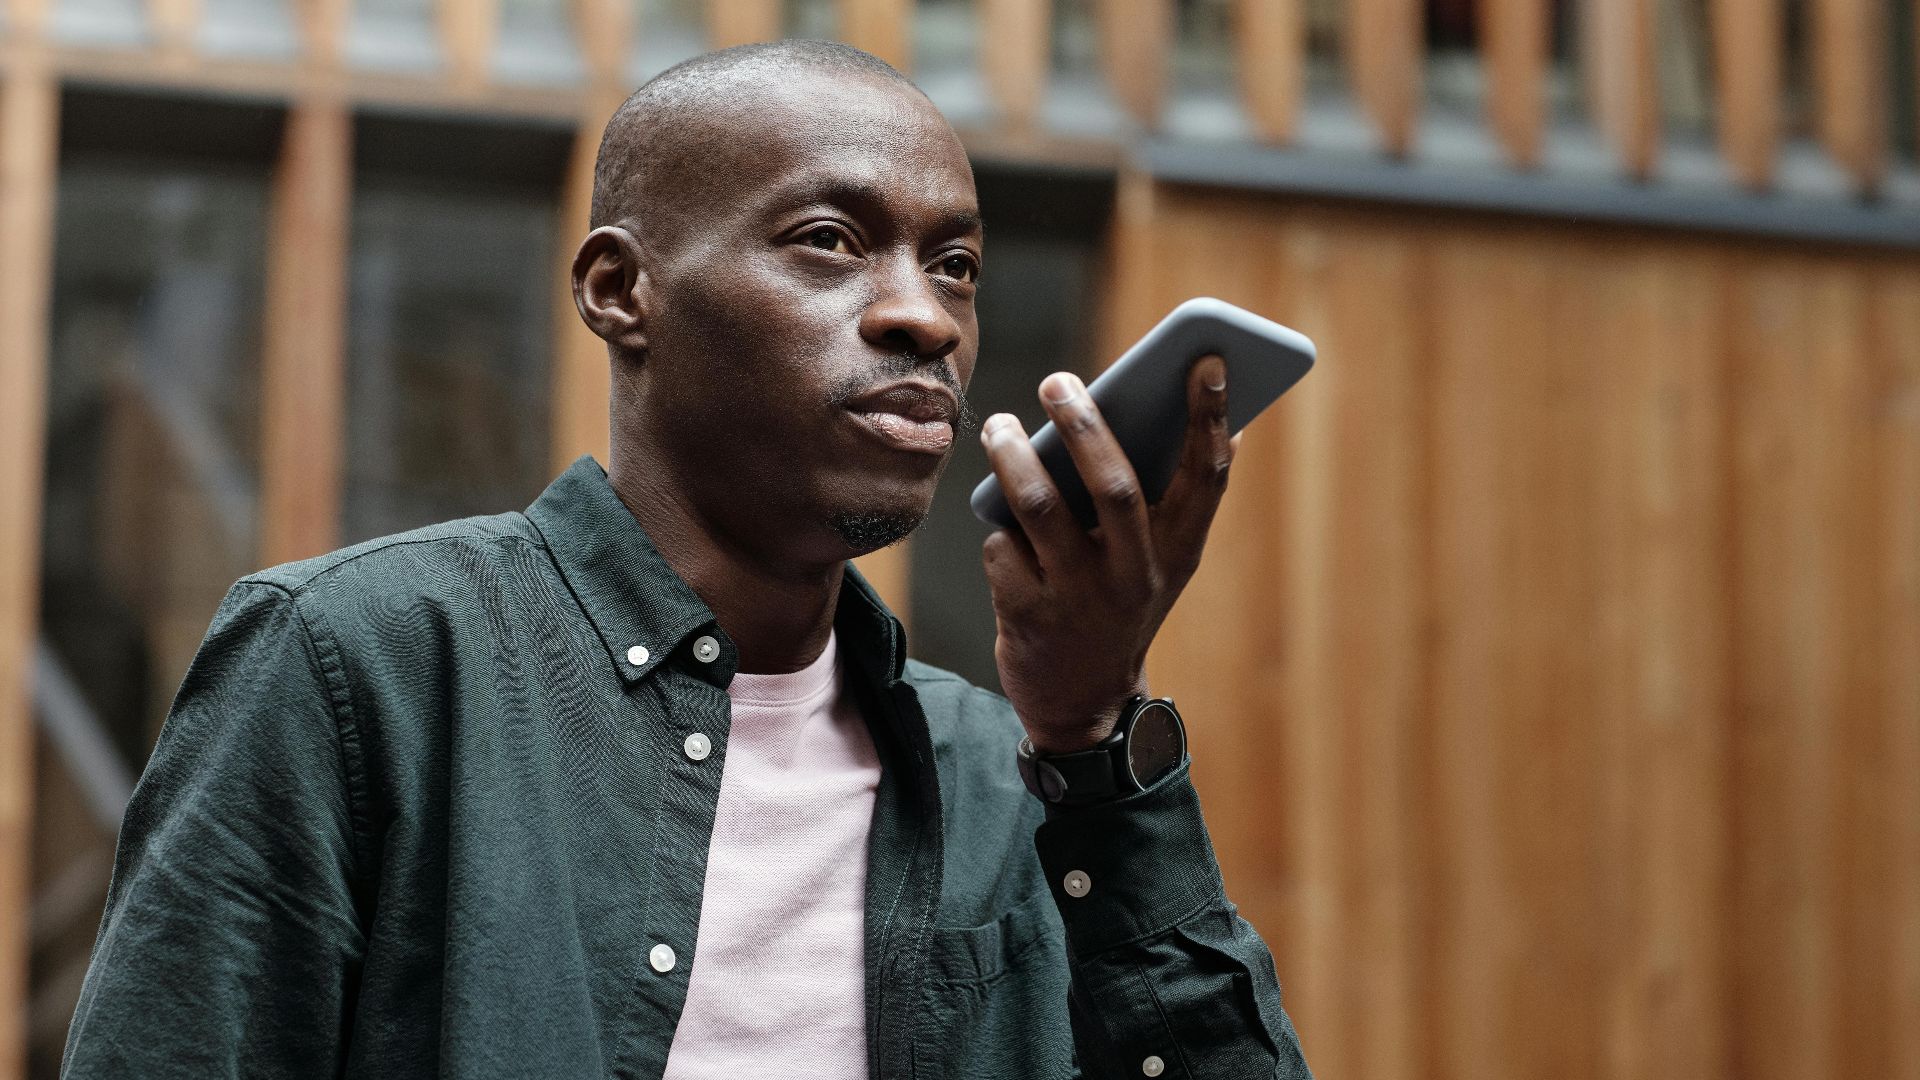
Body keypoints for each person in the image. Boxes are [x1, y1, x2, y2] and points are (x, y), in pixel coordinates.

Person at [61, 40, 1311, 1080]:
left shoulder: (1000, 770)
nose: (925, 316)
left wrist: (1095, 739)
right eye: (829, 240)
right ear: (622, 291)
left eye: (956, 265)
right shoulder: (357, 664)